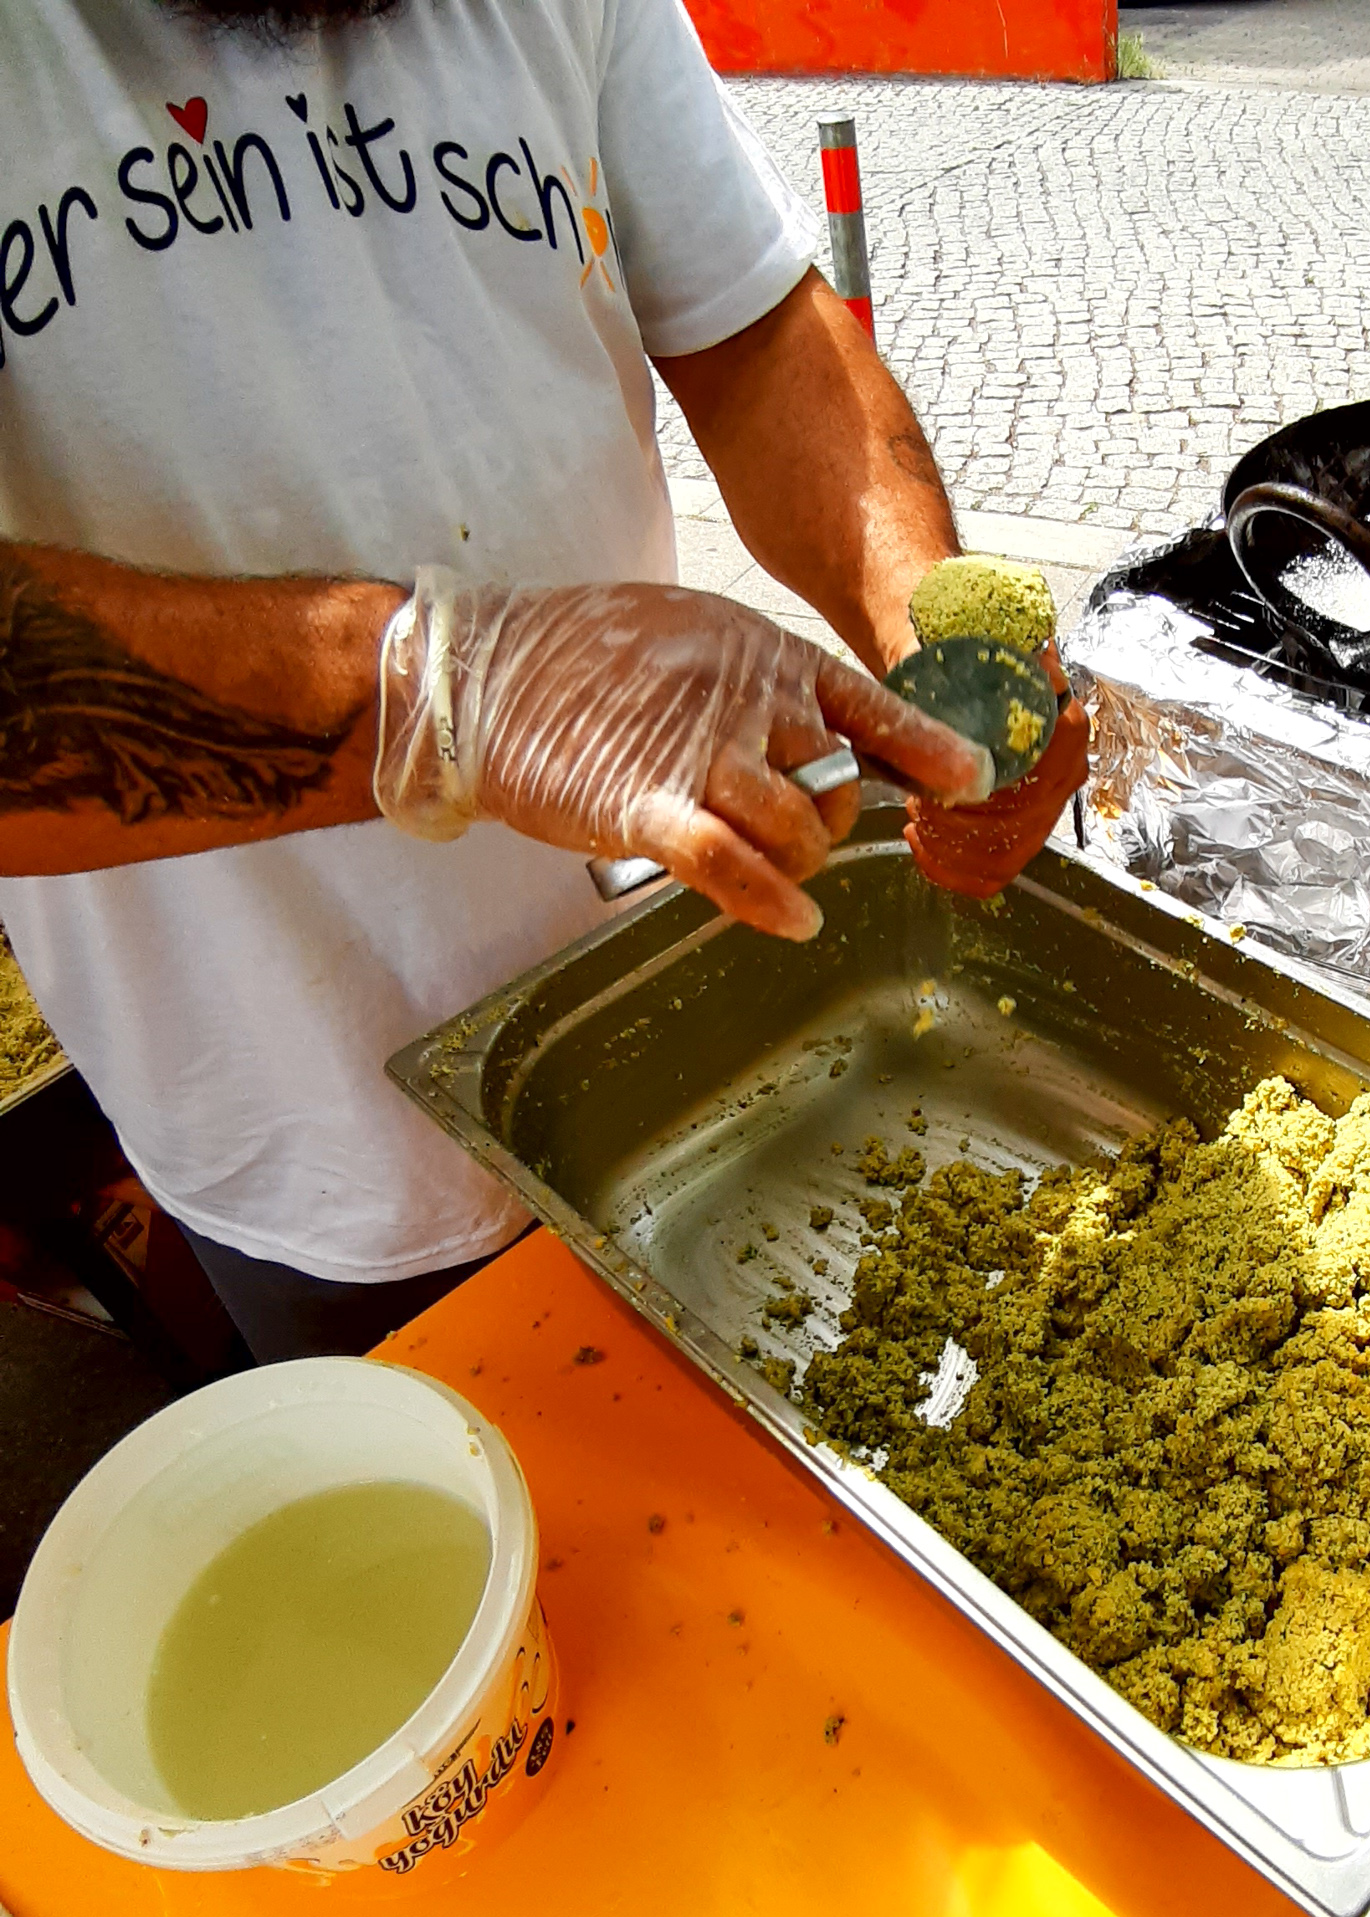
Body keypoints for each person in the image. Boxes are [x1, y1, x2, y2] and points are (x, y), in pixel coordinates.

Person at [0, 0, 1089, 1366]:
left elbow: (756, 338)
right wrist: (448, 692)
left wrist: (932, 626)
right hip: (294, 1121)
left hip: (677, 986)